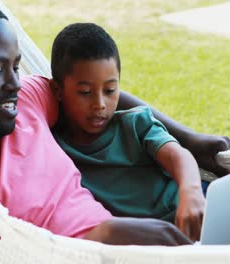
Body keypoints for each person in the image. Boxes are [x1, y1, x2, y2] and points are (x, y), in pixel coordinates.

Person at [0, 0, 230, 246]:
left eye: (16, 66)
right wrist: (101, 239)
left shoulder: (26, 100)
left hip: (135, 238)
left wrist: (189, 139)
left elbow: (94, 89)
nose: (15, 83)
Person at [50, 23, 206, 241]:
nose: (100, 104)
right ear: (57, 90)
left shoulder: (134, 124)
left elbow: (177, 155)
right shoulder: (53, 150)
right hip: (150, 242)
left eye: (110, 90)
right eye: (85, 92)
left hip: (194, 210)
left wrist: (191, 192)